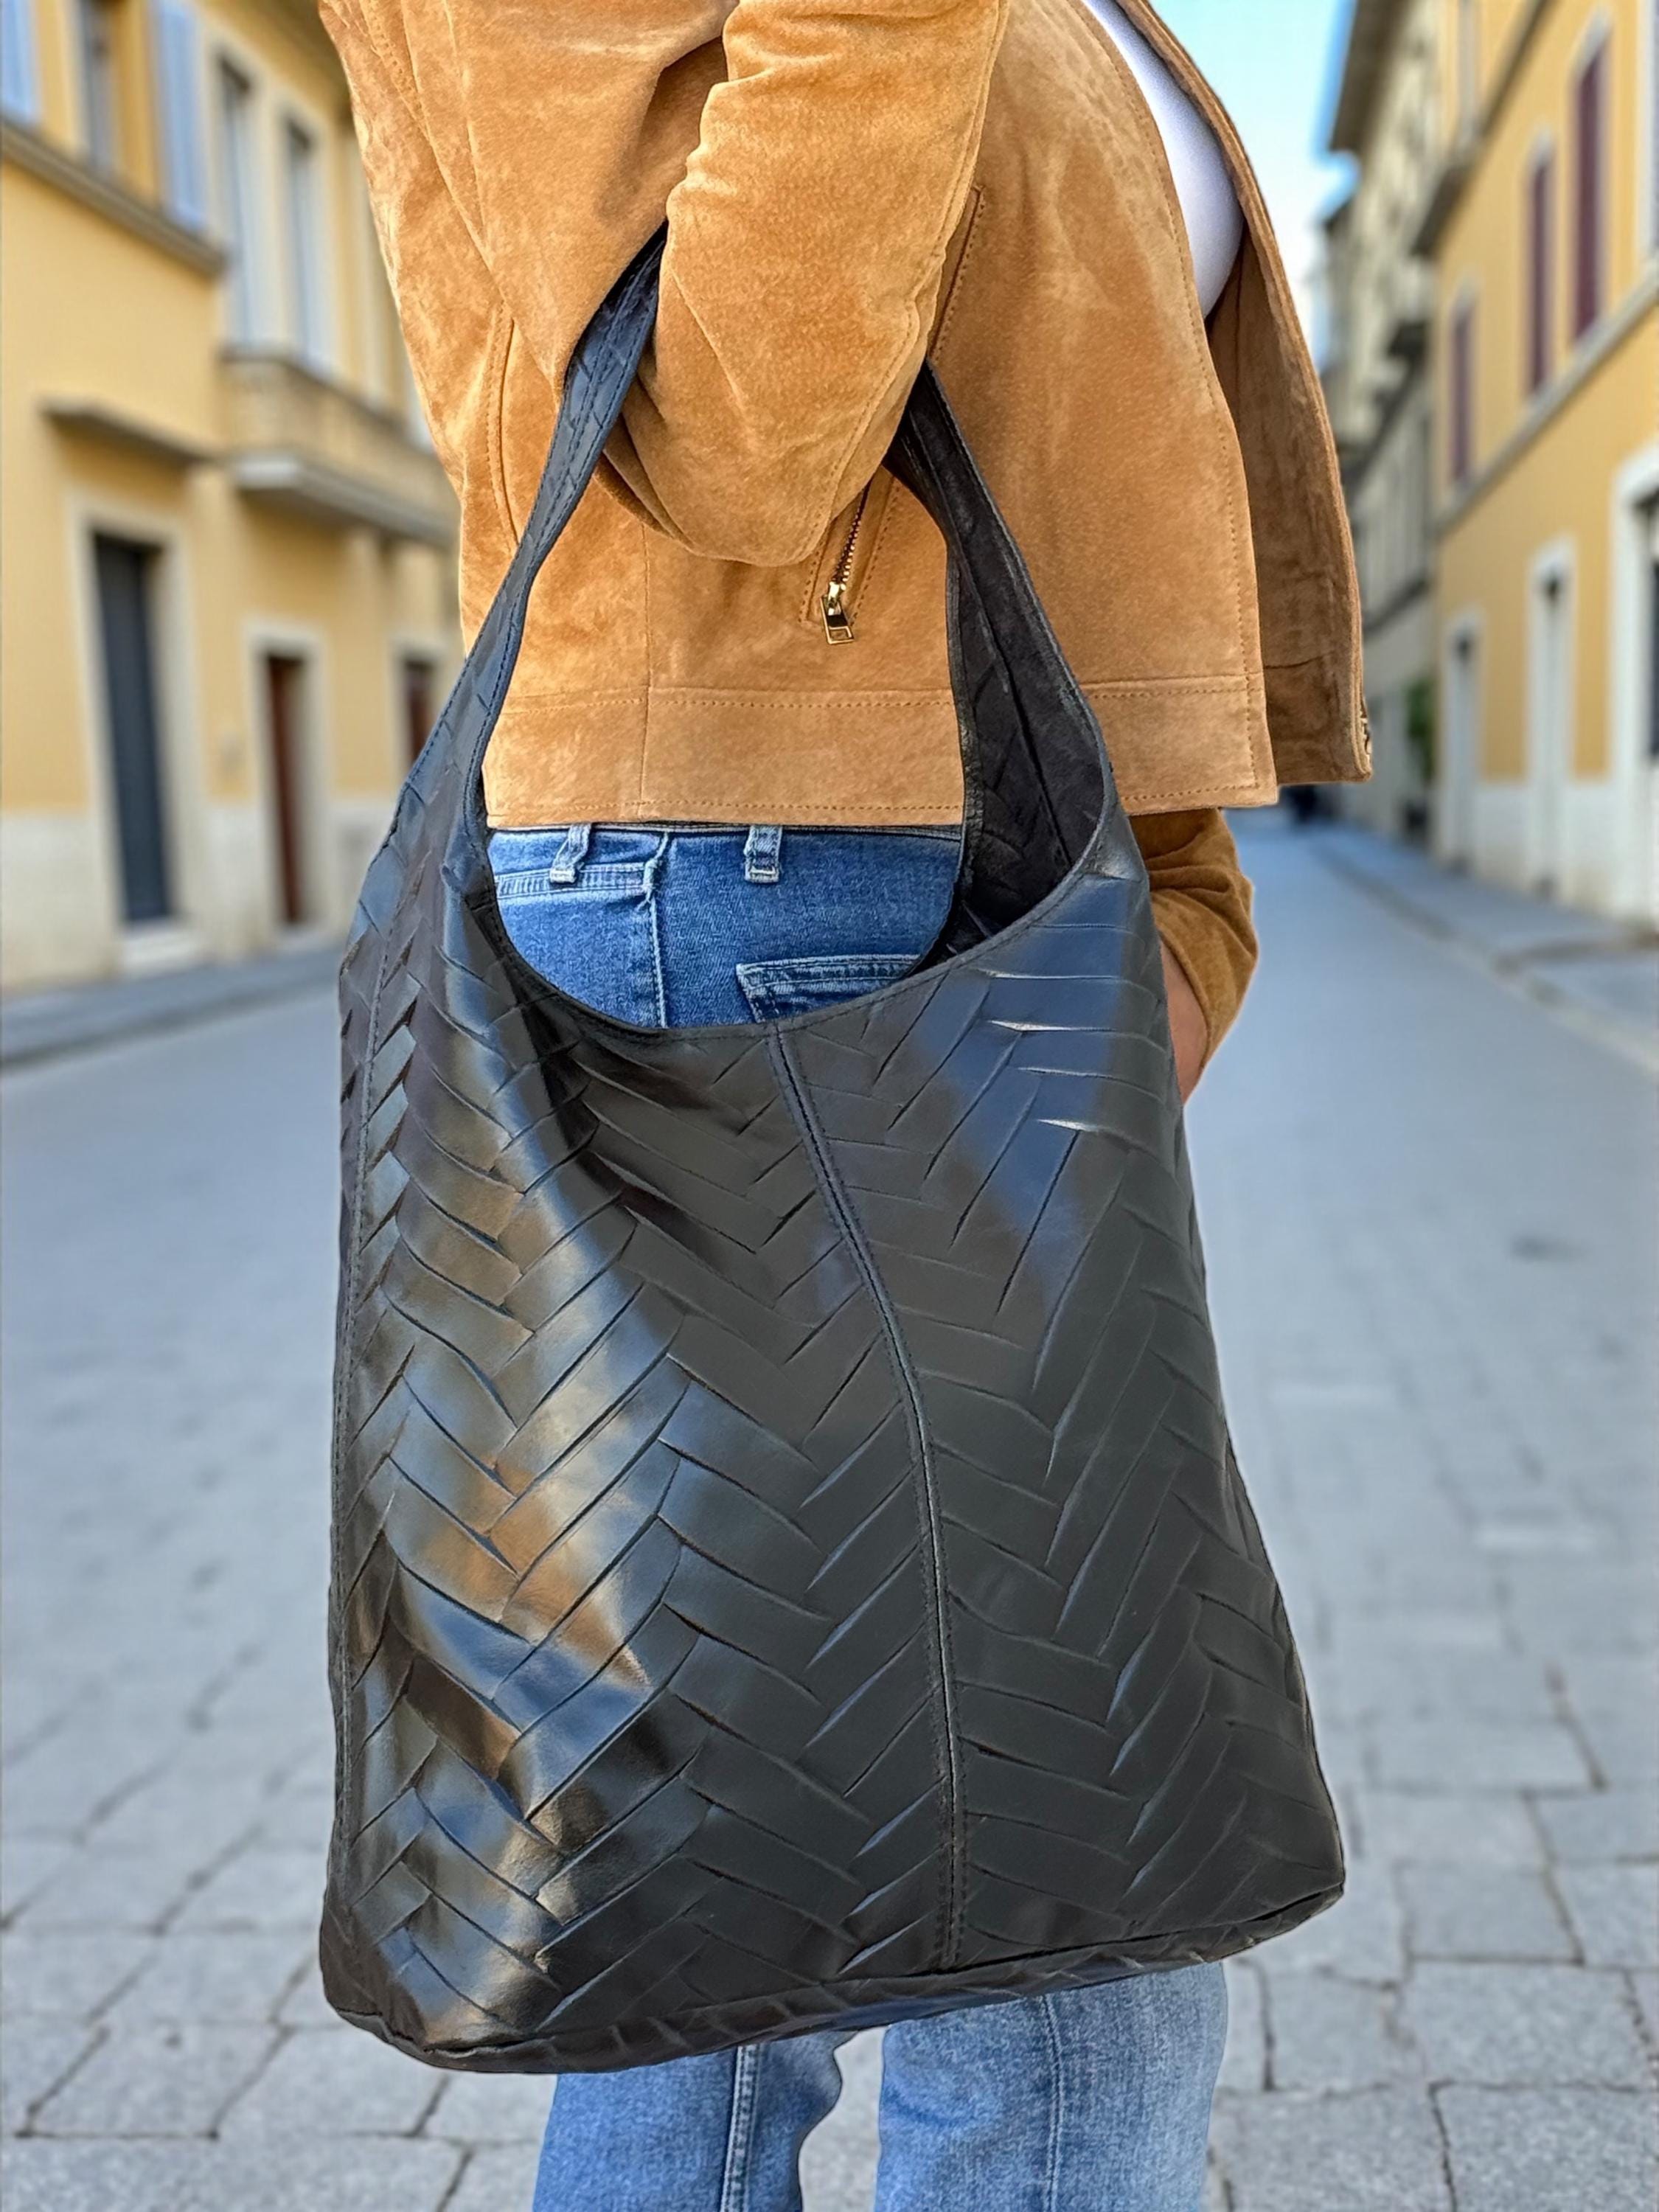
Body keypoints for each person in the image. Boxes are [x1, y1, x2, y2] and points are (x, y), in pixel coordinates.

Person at [321, 2, 1367, 2203]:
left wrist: (1169, 872)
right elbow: (742, 442)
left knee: (726, 1902)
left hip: (965, 853)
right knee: (1056, 1873)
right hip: (773, 853)